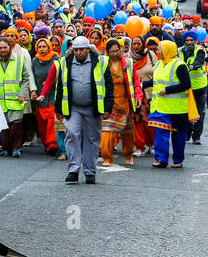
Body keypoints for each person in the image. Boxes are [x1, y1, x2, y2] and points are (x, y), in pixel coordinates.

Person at [57, 36, 101, 184]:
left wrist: (107, 107)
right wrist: (58, 107)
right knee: (72, 135)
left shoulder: (100, 62)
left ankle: (90, 172)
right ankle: (73, 170)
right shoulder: (65, 63)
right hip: (73, 106)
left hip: (92, 107)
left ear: (88, 49)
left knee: (92, 139)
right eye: (76, 50)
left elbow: (108, 85)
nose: (79, 52)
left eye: (82, 49)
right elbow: (60, 86)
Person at [0, 29, 35, 157]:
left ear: (9, 47)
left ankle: (16, 148)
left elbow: (26, 78)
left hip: (16, 98)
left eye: (5, 47)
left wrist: (22, 94)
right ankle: (5, 148)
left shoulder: (19, 60)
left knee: (16, 125)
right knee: (4, 126)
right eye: (0, 48)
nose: (3, 50)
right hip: (0, 99)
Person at [149, 39, 192, 169]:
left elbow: (186, 84)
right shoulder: (158, 64)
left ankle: (177, 160)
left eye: (159, 49)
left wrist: (167, 90)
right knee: (160, 133)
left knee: (178, 135)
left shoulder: (180, 65)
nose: (157, 52)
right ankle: (161, 159)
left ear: (167, 50)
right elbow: (156, 81)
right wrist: (142, 85)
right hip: (160, 106)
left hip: (177, 109)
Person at [98, 38, 138, 167]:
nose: (115, 53)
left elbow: (135, 82)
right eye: (111, 51)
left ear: (121, 49)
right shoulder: (103, 63)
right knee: (107, 131)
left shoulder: (128, 63)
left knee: (127, 131)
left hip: (125, 102)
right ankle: (106, 158)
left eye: (117, 50)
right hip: (109, 103)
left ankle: (128, 155)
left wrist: (137, 96)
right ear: (107, 52)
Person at [30, 37, 59, 155]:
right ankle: (46, 143)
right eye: (40, 47)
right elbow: (31, 76)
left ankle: (52, 144)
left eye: (44, 46)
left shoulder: (56, 59)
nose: (42, 49)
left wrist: (52, 81)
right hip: (39, 95)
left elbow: (61, 74)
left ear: (49, 47)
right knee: (41, 122)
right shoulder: (35, 61)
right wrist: (33, 90)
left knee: (52, 120)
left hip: (52, 94)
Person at [181, 30, 208, 145]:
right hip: (185, 86)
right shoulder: (180, 51)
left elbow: (200, 61)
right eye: (187, 40)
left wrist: (193, 66)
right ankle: (187, 133)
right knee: (185, 111)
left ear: (195, 41)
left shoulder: (200, 51)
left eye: (192, 40)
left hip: (199, 86)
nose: (189, 42)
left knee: (199, 112)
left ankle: (196, 136)